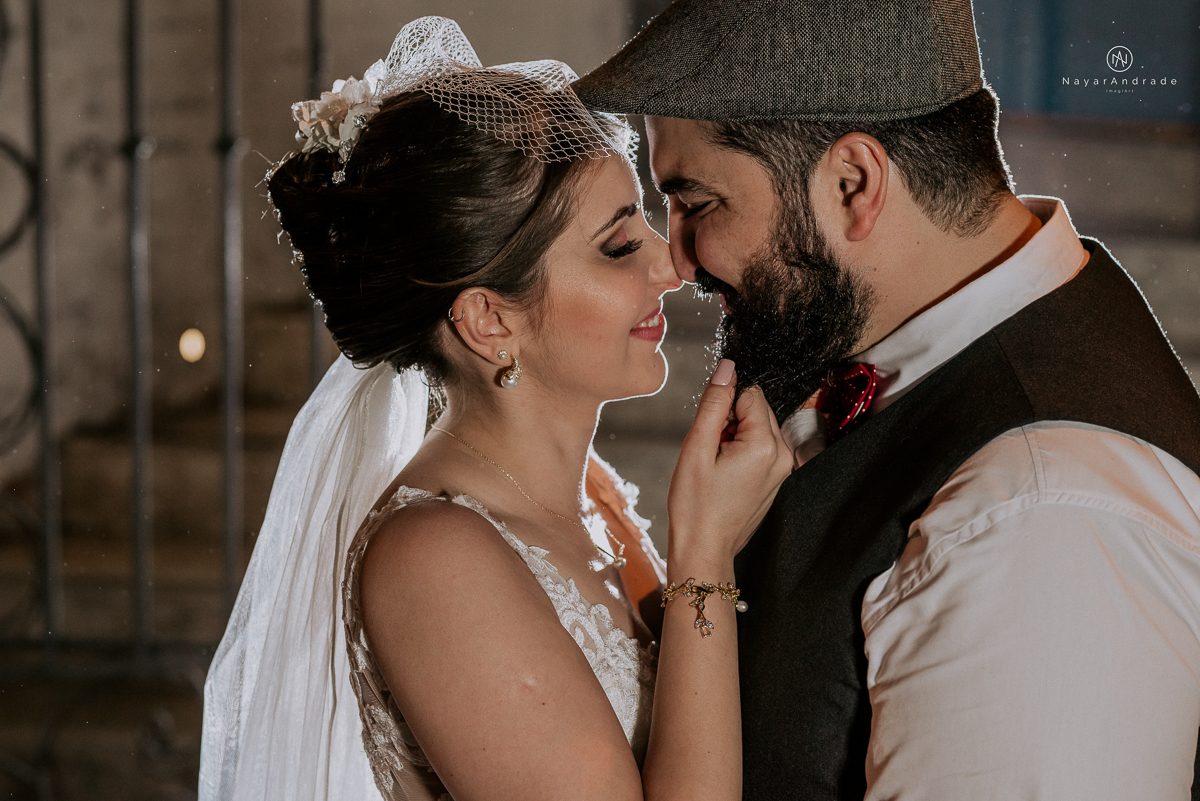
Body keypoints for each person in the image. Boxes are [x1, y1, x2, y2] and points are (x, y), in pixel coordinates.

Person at [574, 0, 1200, 798]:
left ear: (852, 182)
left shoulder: (1042, 512)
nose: (682, 261)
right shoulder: (891, 350)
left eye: (697, 203)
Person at [198, 17, 792, 801]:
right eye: (619, 247)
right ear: (489, 320)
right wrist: (705, 552)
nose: (670, 265)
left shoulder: (598, 499)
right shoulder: (431, 557)